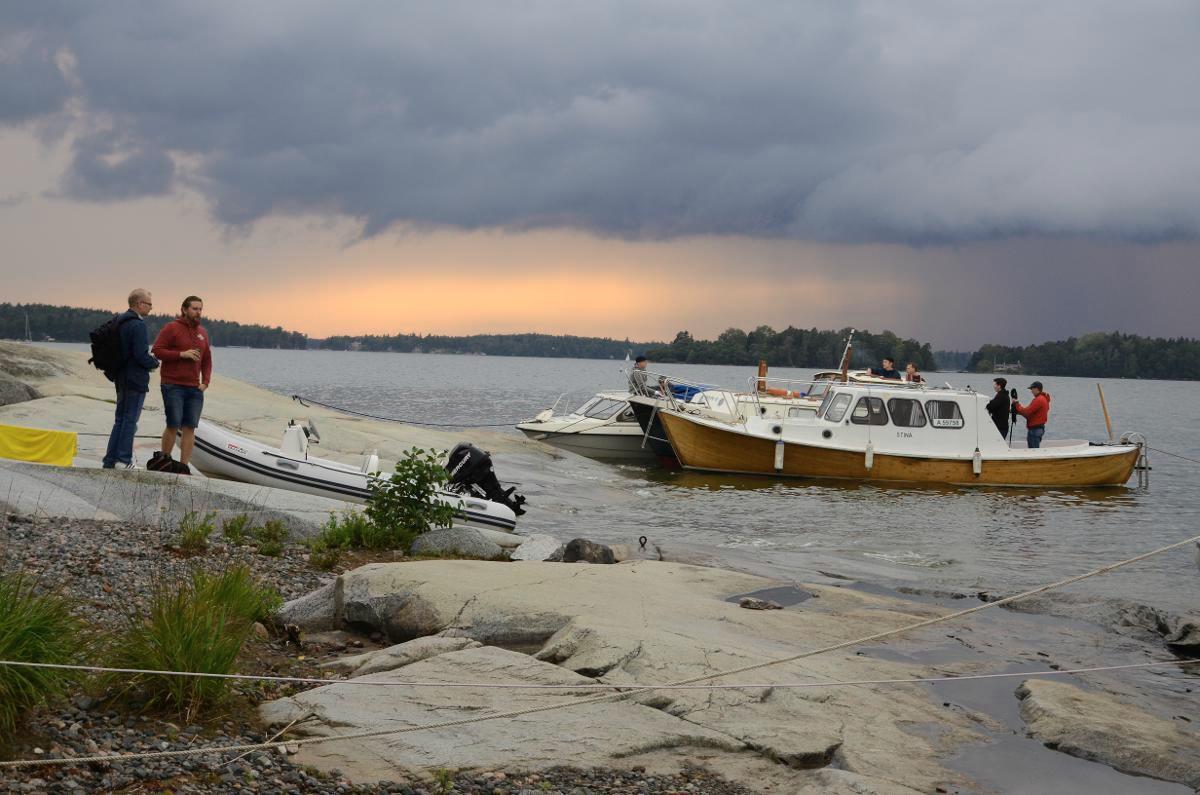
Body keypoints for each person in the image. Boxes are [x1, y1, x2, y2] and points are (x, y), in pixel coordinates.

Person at [151, 296, 212, 473]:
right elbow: (157, 351)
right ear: (184, 309)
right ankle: (164, 460)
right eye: (194, 308)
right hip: (173, 385)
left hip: (194, 388)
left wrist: (205, 382)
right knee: (173, 423)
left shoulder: (203, 332)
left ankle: (184, 466)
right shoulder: (171, 328)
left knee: (190, 427)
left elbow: (207, 360)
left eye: (200, 309)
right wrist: (181, 354)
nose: (198, 312)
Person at [102, 289, 160, 469]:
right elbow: (141, 356)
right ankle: (124, 459)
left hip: (121, 377)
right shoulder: (138, 325)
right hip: (134, 379)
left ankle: (110, 460)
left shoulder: (120, 320)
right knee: (129, 420)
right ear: (139, 304)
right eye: (149, 304)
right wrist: (155, 362)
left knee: (120, 419)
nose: (151, 308)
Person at [1013, 381, 1051, 449]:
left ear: (1036, 389)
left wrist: (1016, 404)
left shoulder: (1039, 399)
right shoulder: (1044, 399)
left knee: (1033, 451)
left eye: (1032, 389)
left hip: (1035, 430)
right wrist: (1018, 411)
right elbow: (1030, 414)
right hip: (1038, 429)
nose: (1031, 391)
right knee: (1033, 450)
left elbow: (1026, 412)